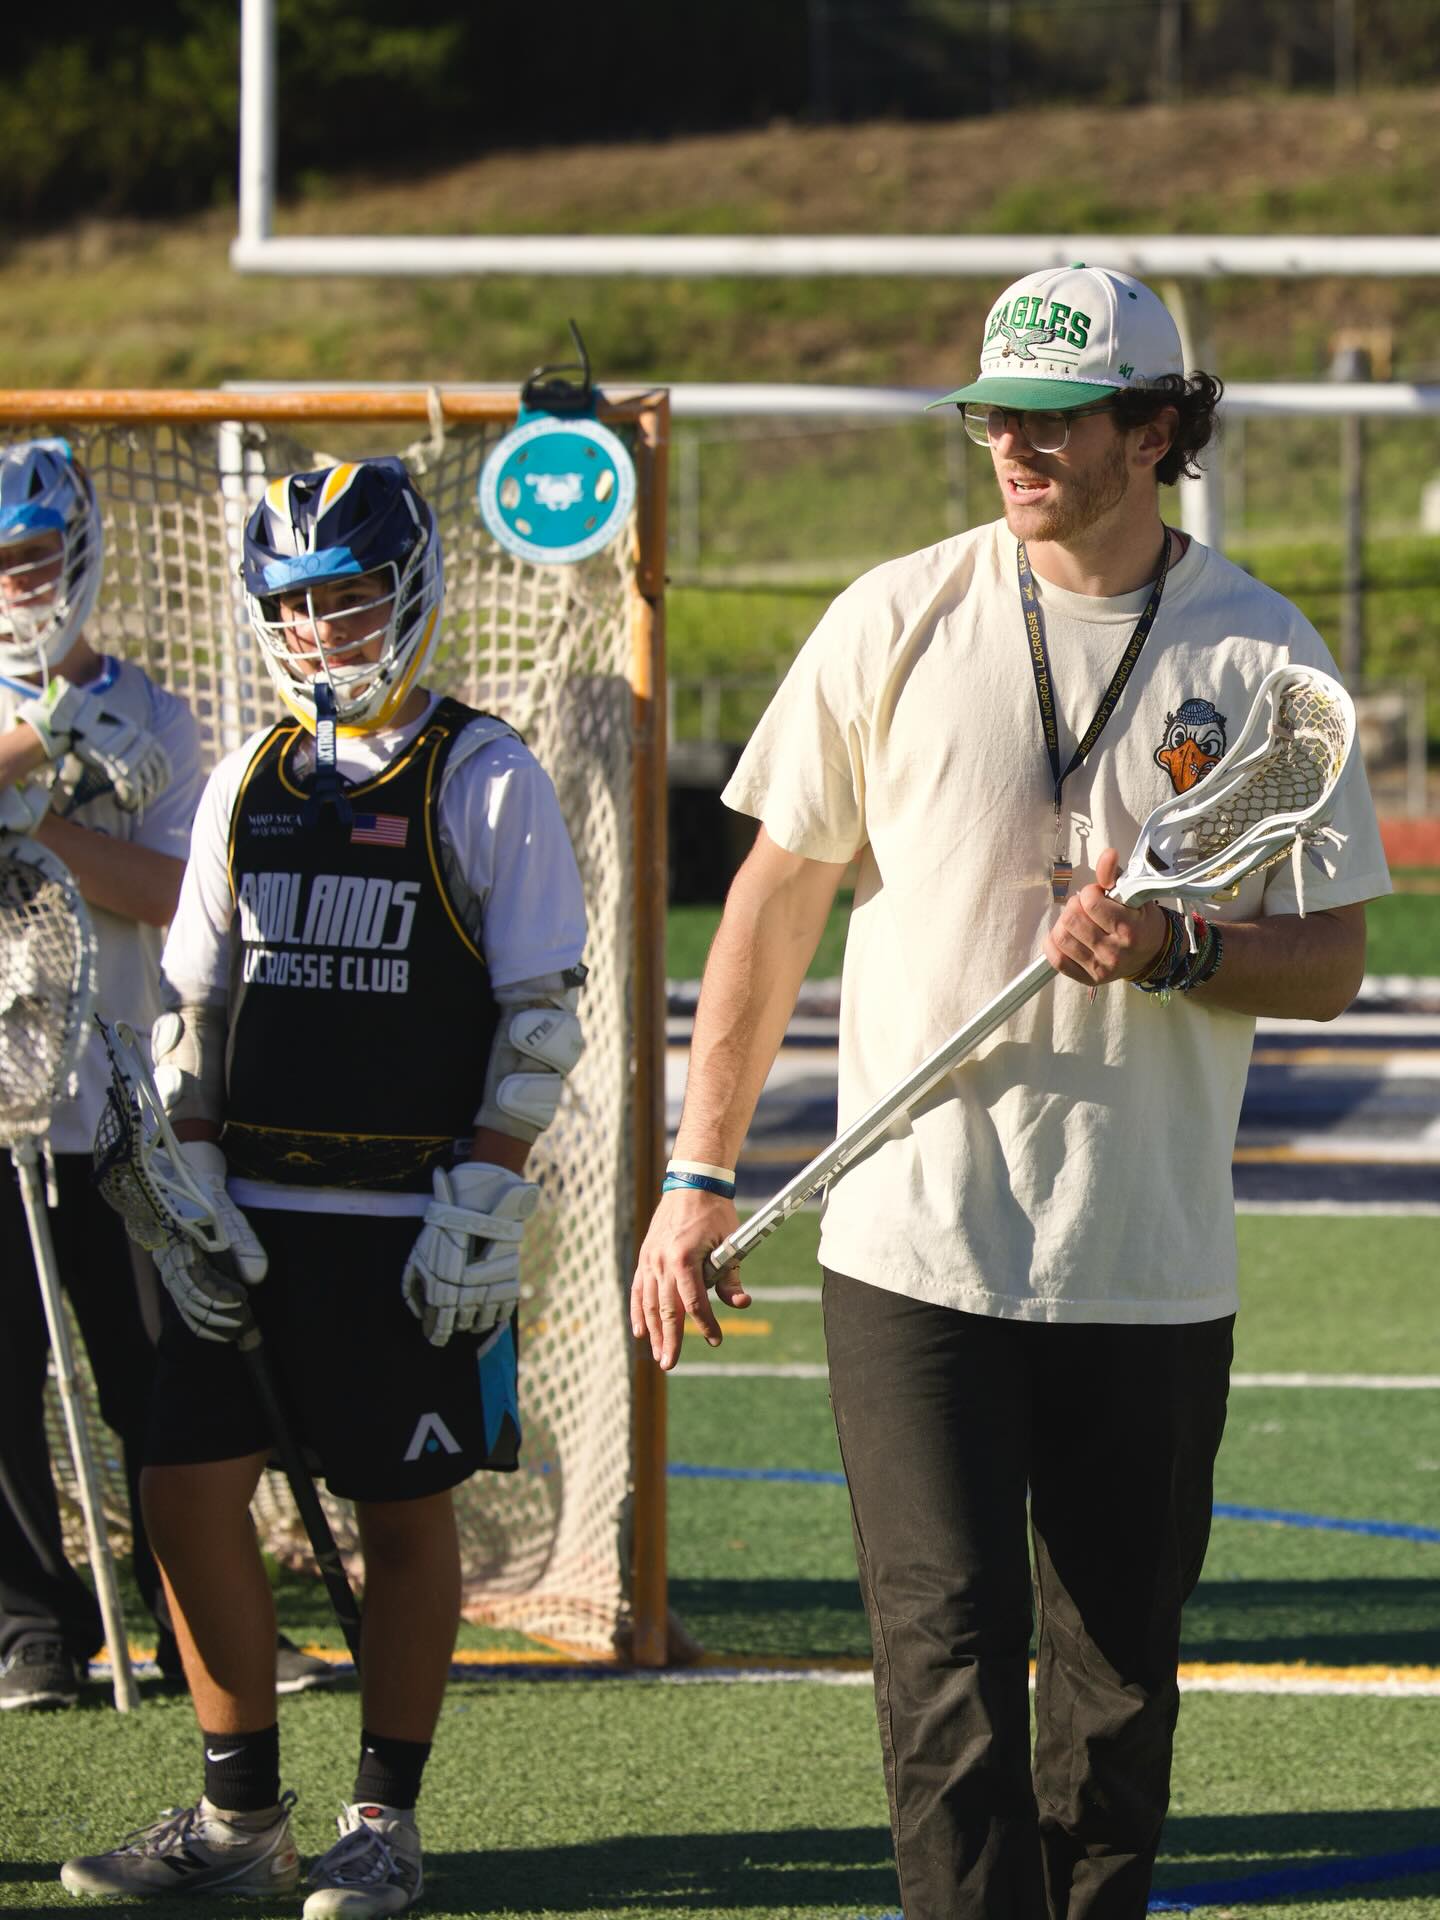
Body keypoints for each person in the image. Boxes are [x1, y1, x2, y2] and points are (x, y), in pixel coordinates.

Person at [631, 265, 1391, 1920]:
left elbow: (1329, 957)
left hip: (1149, 1262)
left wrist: (1181, 948)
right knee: (945, 1676)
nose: (1014, 448)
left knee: (1116, 1703)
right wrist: (696, 1178)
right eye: (994, 417)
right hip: (914, 1258)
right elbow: (774, 897)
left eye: (1052, 419)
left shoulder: (1266, 650)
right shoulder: (893, 614)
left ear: (1155, 426)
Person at [60, 456, 587, 1917]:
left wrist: (487, 1192)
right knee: (178, 1493)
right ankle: (240, 1822)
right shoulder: (247, 778)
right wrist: (198, 1178)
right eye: (295, 605)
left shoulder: (484, 773)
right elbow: (196, 1016)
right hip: (254, 1218)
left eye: (346, 597)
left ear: (407, 590)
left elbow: (540, 1019)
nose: (321, 629)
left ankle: (382, 1821)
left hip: (415, 1222)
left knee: (404, 1511)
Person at [0, 437, 203, 1710]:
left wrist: (42, 821)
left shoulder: (161, 715)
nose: (20, 583)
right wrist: (32, 746)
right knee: (1, 1377)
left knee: (159, 1375)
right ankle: (30, 1630)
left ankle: (199, 1617)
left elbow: (180, 902)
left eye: (31, 557)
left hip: (121, 1094)